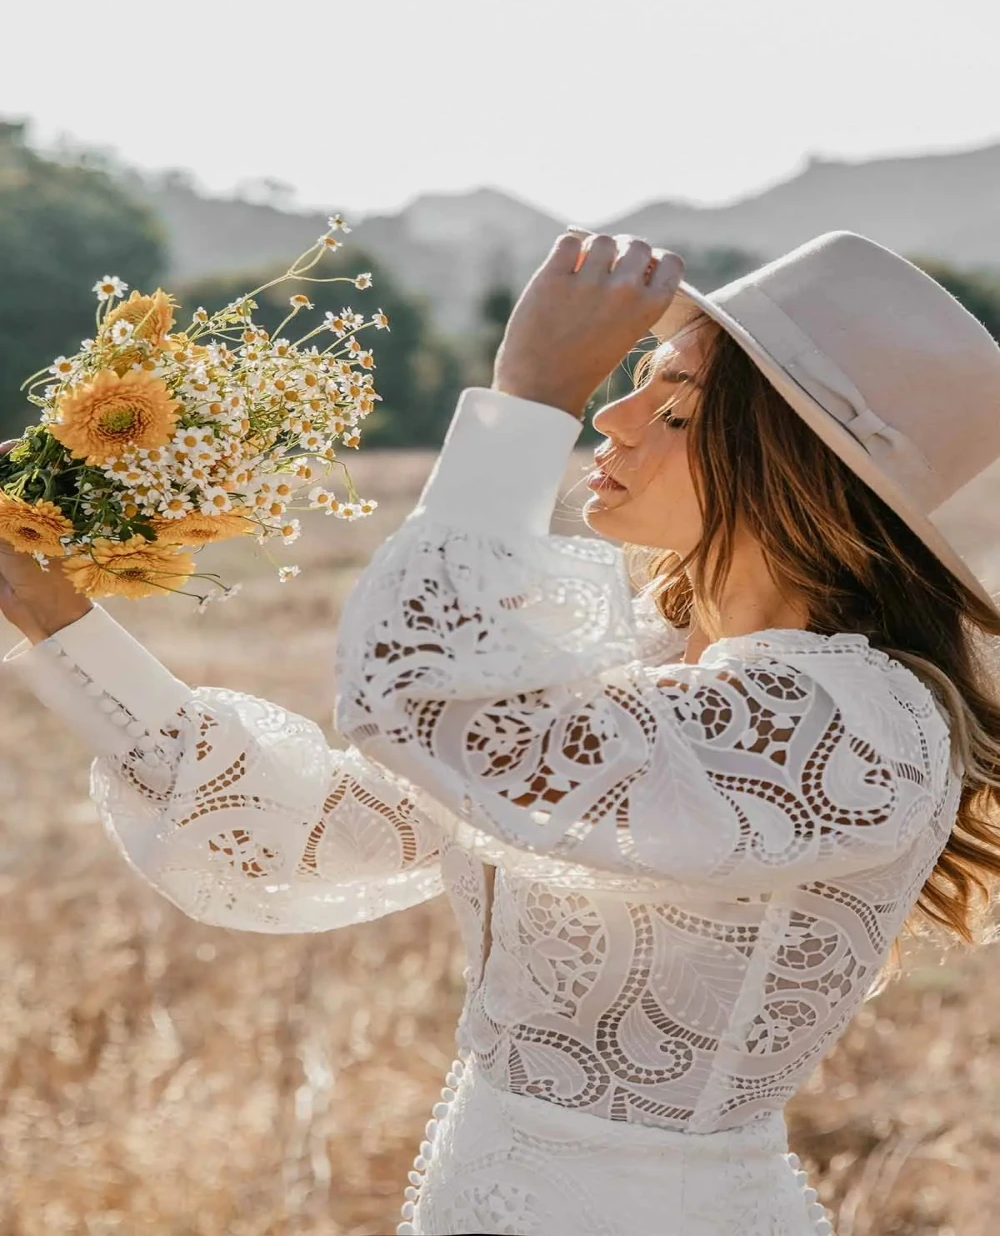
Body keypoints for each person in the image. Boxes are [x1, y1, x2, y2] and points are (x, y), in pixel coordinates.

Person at [5, 228, 1000, 1236]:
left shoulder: (848, 727)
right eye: (623, 390)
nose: (608, 419)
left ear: (793, 470)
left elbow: (416, 696)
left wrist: (526, 402)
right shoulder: (648, 679)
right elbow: (304, 836)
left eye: (673, 409)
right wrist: (58, 619)